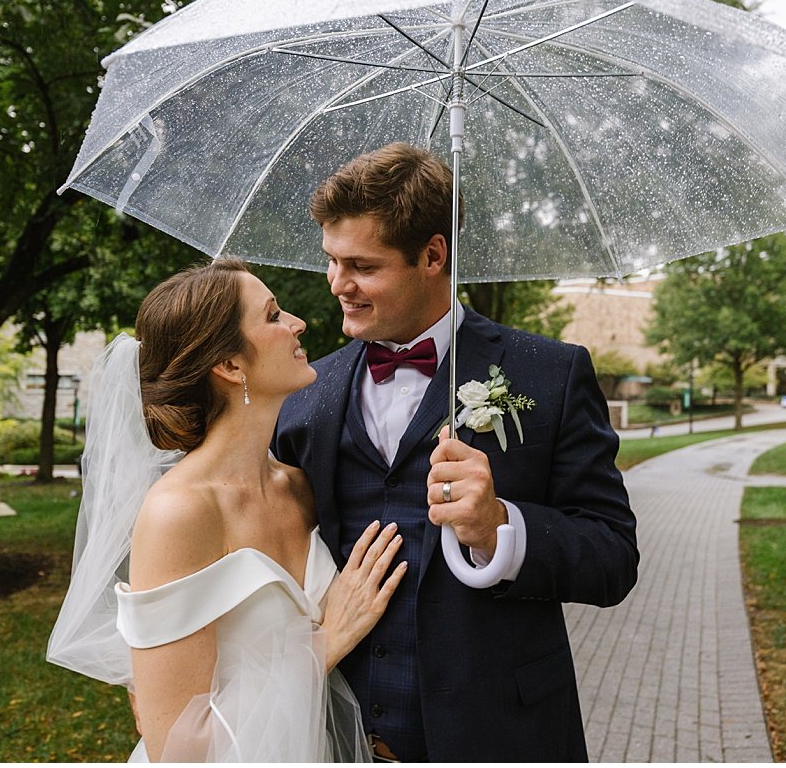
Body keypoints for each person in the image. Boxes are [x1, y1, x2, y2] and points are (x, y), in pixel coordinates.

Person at [274, 143, 639, 762]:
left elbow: (612, 557)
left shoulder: (549, 374)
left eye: (361, 265)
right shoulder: (306, 393)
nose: (338, 285)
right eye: (332, 262)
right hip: (333, 735)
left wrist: (503, 529)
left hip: (500, 735)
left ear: (433, 256)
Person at [47, 259, 408, 762]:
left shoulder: (300, 487)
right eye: (274, 315)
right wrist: (326, 644)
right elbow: (177, 747)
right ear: (231, 366)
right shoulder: (179, 512)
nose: (298, 323)